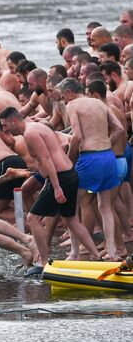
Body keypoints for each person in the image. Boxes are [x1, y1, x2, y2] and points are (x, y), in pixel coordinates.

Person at [0, 107, 100, 265]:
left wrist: (56, 186)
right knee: (71, 220)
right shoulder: (38, 127)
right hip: (68, 174)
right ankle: (96, 256)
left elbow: (46, 159)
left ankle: (44, 262)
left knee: (33, 218)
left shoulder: (30, 133)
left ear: (14, 121)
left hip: (61, 178)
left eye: (5, 126)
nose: (5, 130)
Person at [60, 78, 125, 261]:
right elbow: (119, 129)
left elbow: (77, 136)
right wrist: (104, 145)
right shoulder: (99, 102)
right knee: (105, 206)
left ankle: (74, 252)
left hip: (89, 159)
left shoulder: (73, 105)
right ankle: (113, 253)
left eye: (64, 95)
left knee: (72, 207)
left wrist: (69, 160)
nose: (64, 100)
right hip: (108, 157)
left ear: (70, 92)